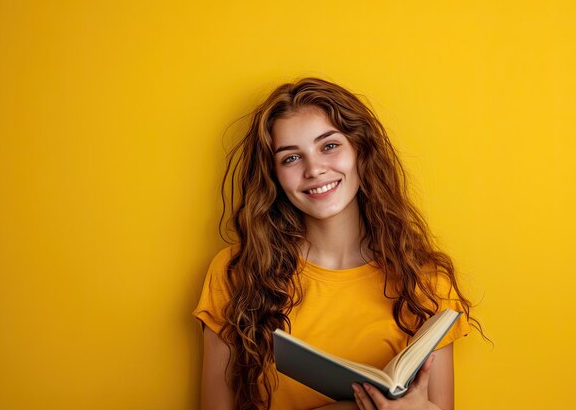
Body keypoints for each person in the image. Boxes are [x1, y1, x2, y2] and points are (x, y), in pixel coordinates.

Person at [193, 78, 481, 410]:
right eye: (290, 158)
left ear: (361, 149)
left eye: (329, 146)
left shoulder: (426, 279)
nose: (314, 169)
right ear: (273, 175)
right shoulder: (236, 273)